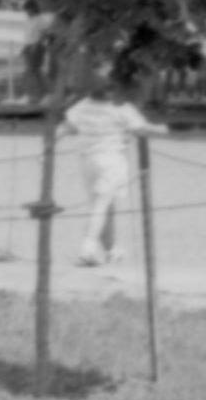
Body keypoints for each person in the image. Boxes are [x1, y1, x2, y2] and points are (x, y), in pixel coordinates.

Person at [61, 72, 153, 267]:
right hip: (111, 160)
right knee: (102, 205)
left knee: (102, 205)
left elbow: (66, 128)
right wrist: (162, 129)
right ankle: (87, 248)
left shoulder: (83, 106)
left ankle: (111, 250)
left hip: (87, 161)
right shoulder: (122, 108)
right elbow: (141, 130)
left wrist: (49, 145)